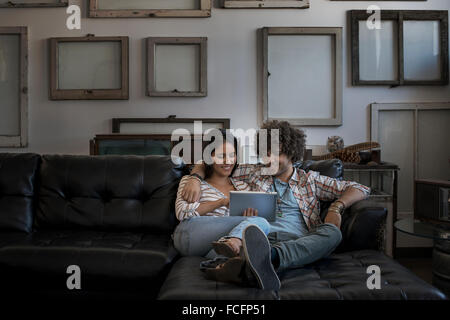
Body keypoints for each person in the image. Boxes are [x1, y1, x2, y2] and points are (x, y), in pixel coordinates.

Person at [181, 121, 371, 291]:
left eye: (277, 153)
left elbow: (360, 188)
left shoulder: (310, 179)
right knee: (254, 229)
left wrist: (336, 207)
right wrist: (195, 178)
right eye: (266, 152)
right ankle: (255, 262)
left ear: (292, 153)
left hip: (297, 244)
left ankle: (262, 259)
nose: (269, 158)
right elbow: (215, 162)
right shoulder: (254, 172)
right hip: (258, 238)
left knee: (333, 233)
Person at [173, 129, 271, 259]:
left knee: (242, 253)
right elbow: (182, 213)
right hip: (190, 234)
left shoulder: (243, 186)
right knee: (260, 223)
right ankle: (235, 240)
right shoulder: (192, 182)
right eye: (221, 156)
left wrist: (247, 217)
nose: (228, 161)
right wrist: (221, 202)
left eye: (232, 155)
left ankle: (221, 260)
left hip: (214, 243)